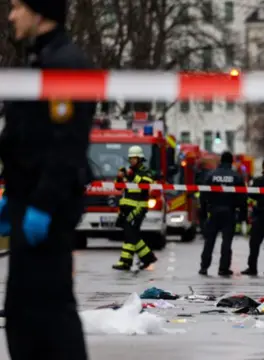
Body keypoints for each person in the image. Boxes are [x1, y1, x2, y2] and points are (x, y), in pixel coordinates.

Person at [1, 0, 94, 358]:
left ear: (39, 12)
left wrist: (41, 204)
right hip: (30, 202)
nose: (11, 16)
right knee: (25, 317)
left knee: (50, 317)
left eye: (16, 7)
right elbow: (27, 138)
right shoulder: (40, 61)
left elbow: (66, 147)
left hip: (47, 211)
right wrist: (15, 194)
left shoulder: (64, 64)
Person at [198, 151, 246, 276]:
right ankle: (223, 268)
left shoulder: (211, 175)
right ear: (231, 162)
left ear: (221, 161)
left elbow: (203, 195)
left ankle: (204, 267)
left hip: (213, 212)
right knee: (226, 243)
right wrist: (242, 215)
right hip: (229, 212)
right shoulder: (236, 176)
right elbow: (242, 198)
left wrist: (203, 213)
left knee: (209, 242)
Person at [112, 146, 158, 271]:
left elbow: (145, 183)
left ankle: (126, 262)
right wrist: (120, 176)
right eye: (130, 158)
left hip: (138, 208)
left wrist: (130, 175)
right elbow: (118, 187)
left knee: (130, 234)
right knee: (132, 235)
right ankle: (148, 258)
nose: (132, 160)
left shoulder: (145, 171)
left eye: (134, 158)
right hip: (126, 208)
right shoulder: (129, 171)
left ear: (140, 159)